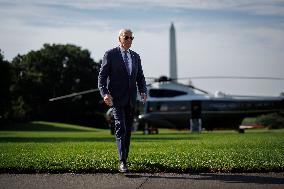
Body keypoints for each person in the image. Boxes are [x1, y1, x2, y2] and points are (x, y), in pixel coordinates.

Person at [98, 29, 147, 173]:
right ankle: (122, 162)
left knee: (128, 131)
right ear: (119, 38)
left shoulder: (136, 56)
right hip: (116, 99)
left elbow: (140, 77)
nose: (129, 40)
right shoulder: (110, 54)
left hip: (131, 100)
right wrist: (105, 94)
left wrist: (143, 91)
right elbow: (102, 77)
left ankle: (124, 158)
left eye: (132, 38)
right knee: (121, 127)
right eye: (126, 37)